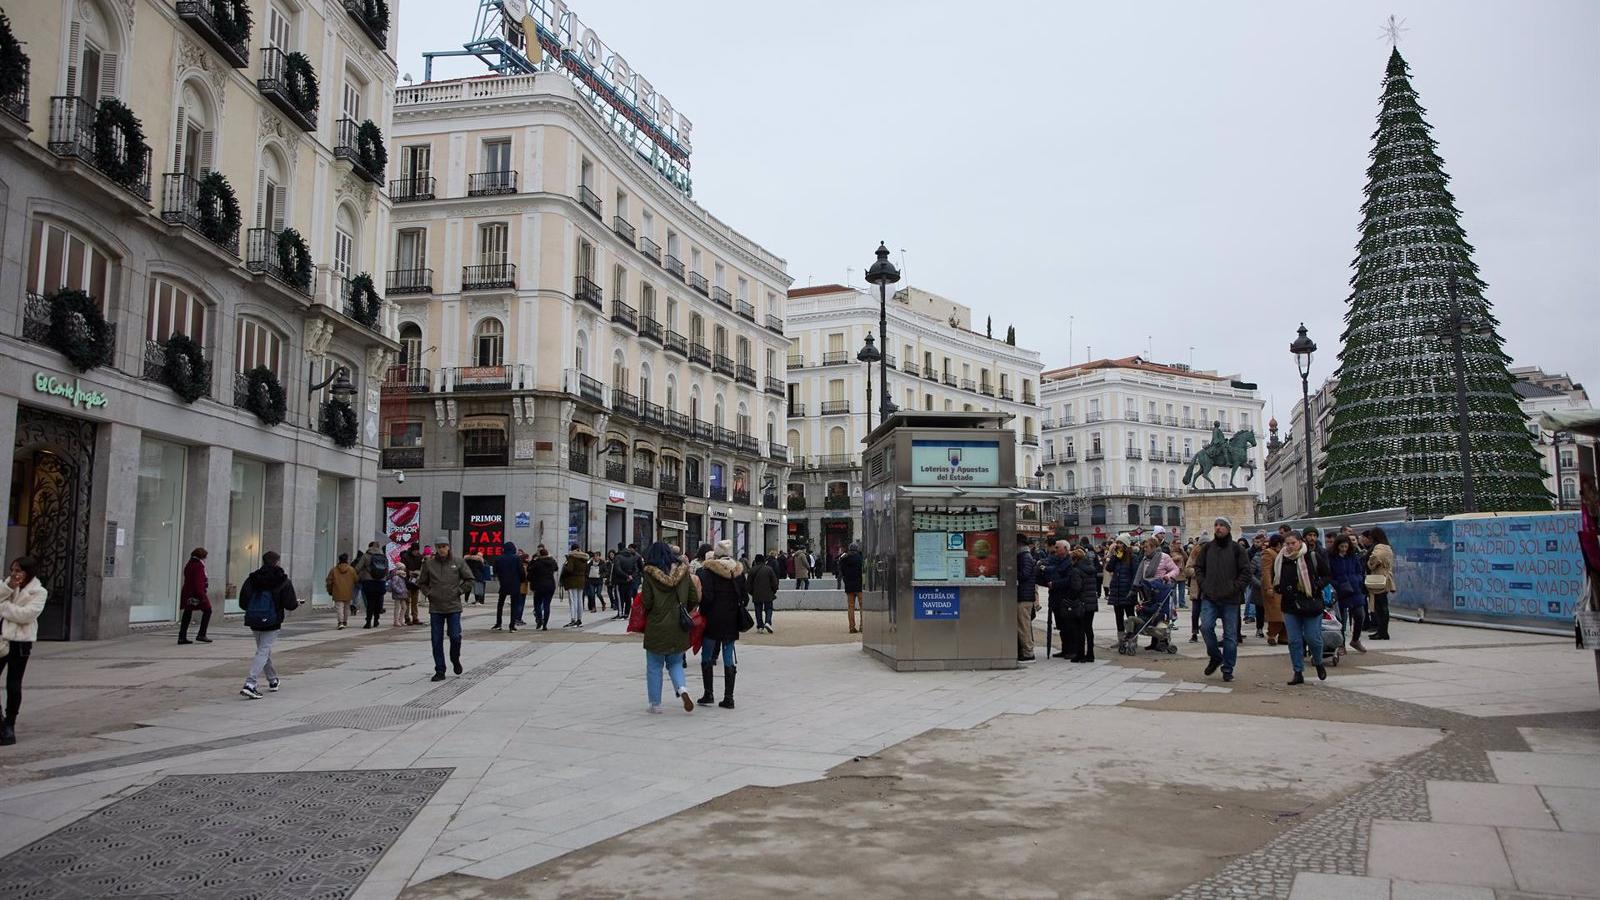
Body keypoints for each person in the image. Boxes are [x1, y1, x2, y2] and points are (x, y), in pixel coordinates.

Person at [639, 541, 697, 713]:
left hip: (657, 625)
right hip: (679, 624)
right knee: (675, 662)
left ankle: (655, 704)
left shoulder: (649, 574)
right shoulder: (683, 571)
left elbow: (647, 601)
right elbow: (694, 597)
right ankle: (682, 688)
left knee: (654, 665)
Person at [1193, 516, 1251, 683]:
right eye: (1216, 525)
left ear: (1228, 528)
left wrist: (1234, 587)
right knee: (1205, 627)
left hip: (1230, 598)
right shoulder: (1207, 548)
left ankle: (1228, 668)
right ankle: (1215, 656)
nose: (1218, 528)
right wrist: (1204, 584)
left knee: (1230, 636)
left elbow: (1246, 572)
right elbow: (1199, 567)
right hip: (1210, 596)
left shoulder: (1236, 549)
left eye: (1222, 525)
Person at [238, 551, 299, 699]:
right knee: (263, 651)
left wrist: (255, 610)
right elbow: (290, 604)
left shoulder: (252, 578)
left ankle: (272, 680)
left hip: (254, 620)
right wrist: (297, 603)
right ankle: (250, 683)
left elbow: (243, 602)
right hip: (273, 620)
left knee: (263, 650)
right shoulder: (282, 580)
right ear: (277, 562)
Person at [0, 557, 48, 745]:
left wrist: (3, 607)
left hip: (20, 642)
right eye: (12, 570)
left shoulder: (39, 592)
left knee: (13, 683)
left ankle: (10, 725)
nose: (14, 574)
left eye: (19, 570)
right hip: (2, 640)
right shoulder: (6, 587)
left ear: (28, 572)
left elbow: (27, 615)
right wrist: (8, 588)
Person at [695, 540, 747, 709]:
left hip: (711, 620)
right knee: (728, 656)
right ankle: (729, 697)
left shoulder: (706, 572)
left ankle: (708, 693)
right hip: (731, 620)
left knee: (707, 655)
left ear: (715, 555)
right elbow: (745, 598)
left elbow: (706, 598)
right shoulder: (737, 572)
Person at [417, 536, 473, 682]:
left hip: (453, 606)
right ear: (436, 548)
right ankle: (440, 669)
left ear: (448, 547)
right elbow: (421, 582)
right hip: (436, 607)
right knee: (436, 640)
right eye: (439, 546)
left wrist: (459, 591)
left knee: (455, 636)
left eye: (444, 546)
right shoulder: (429, 564)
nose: (441, 549)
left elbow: (469, 579)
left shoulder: (458, 562)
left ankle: (455, 658)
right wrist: (429, 593)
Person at [1275, 532, 1327, 684]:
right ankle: (1298, 671)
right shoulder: (1281, 560)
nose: (1290, 547)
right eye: (1287, 544)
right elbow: (1276, 577)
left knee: (1313, 637)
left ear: (1300, 542)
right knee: (1294, 641)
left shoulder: (1311, 557)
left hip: (1311, 603)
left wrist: (1317, 586)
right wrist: (1279, 588)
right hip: (1290, 605)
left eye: (1293, 543)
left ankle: (1318, 661)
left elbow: (1327, 575)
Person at [1134, 536, 1180, 649]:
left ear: (1154, 547)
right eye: (1144, 547)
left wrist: (1168, 576)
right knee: (1151, 614)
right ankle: (1154, 642)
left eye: (1147, 547)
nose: (1144, 549)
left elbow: (1176, 569)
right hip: (1148, 590)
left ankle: (1163, 640)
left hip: (1161, 590)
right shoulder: (1145, 559)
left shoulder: (1164, 557)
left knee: (1161, 614)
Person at [1329, 535, 1368, 653]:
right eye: (1342, 546)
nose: (1344, 549)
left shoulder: (1352, 557)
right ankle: (1341, 644)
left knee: (1360, 615)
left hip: (1354, 589)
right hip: (1340, 590)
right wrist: (1336, 584)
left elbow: (1359, 570)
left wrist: (1358, 579)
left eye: (1346, 546)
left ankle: (1355, 639)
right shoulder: (1331, 558)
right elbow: (1329, 573)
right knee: (1341, 619)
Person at [1064, 547, 1101, 662]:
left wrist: (1070, 596)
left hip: (1081, 603)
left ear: (1075, 559)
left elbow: (1077, 588)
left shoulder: (1076, 570)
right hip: (1091, 603)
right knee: (1088, 629)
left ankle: (1080, 654)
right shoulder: (1090, 568)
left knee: (1080, 629)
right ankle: (1090, 654)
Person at [1103, 537, 1138, 637]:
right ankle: (1121, 639)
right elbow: (1109, 568)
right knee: (1118, 616)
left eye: (1120, 543)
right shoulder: (1117, 557)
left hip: (1127, 591)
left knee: (1130, 616)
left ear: (1126, 545)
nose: (1118, 545)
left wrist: (1133, 590)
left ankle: (1132, 637)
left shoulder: (1132, 558)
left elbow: (1135, 575)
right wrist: (1114, 556)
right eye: (1117, 543)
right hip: (1116, 592)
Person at [1366, 527, 1396, 640]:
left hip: (1379, 578)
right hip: (1385, 577)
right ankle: (1382, 631)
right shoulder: (1388, 547)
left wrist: (1370, 563)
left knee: (1380, 606)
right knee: (1382, 605)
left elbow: (1375, 559)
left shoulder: (1379, 547)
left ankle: (1382, 631)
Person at [178, 548, 212, 644]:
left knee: (187, 613)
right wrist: (202, 596)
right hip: (196, 594)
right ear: (202, 556)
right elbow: (198, 582)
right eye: (205, 556)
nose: (206, 558)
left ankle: (182, 636)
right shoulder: (199, 566)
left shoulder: (189, 564)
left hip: (188, 593)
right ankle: (201, 634)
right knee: (208, 610)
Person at [355, 541, 389, 629]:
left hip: (369, 581)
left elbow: (358, 568)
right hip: (381, 582)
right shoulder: (383, 556)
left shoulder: (366, 555)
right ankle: (376, 620)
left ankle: (368, 621)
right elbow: (387, 570)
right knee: (378, 601)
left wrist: (359, 575)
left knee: (370, 602)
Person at [1015, 534, 1038, 662]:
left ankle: (1028, 652)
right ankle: (1025, 650)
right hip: (1023, 595)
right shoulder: (1023, 556)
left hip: (1024, 597)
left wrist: (1012, 571)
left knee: (1023, 626)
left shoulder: (1025, 557)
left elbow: (1024, 574)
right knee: (1022, 625)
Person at [1260, 534, 1286, 645]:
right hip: (1273, 588)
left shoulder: (1280, 553)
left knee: (1284, 614)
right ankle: (1272, 634)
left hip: (1282, 587)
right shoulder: (1268, 553)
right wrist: (1269, 587)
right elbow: (1266, 572)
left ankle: (1284, 636)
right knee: (1276, 614)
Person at [492, 541, 524, 631]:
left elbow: (495, 571)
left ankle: (499, 623)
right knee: (514, 604)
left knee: (500, 604)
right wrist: (521, 580)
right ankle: (512, 625)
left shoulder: (499, 558)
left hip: (504, 583)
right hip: (515, 583)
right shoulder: (516, 558)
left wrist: (500, 577)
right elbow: (521, 571)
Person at [528, 545, 559, 631]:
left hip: (539, 586)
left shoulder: (537, 563)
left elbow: (529, 571)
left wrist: (533, 561)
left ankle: (539, 620)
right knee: (546, 605)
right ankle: (545, 624)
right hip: (550, 586)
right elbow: (556, 568)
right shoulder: (552, 562)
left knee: (537, 604)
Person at [325, 553, 358, 630]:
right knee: (346, 608)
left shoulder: (334, 570)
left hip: (337, 591)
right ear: (347, 560)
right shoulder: (351, 570)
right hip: (348, 591)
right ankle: (345, 621)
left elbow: (329, 581)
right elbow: (356, 579)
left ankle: (340, 622)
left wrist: (330, 590)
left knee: (339, 607)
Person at [748, 552, 779, 634]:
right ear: (764, 560)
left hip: (756, 593)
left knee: (758, 610)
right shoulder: (769, 569)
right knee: (768, 608)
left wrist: (752, 592)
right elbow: (774, 582)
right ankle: (768, 622)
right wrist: (774, 590)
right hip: (768, 593)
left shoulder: (752, 570)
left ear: (755, 561)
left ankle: (760, 626)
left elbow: (748, 584)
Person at [560, 544, 589, 628]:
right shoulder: (584, 558)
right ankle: (579, 619)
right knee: (580, 600)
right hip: (581, 580)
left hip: (572, 580)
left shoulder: (572, 557)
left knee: (573, 600)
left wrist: (564, 566)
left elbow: (569, 569)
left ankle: (573, 619)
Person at [839, 542, 865, 634]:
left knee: (850, 607)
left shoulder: (844, 559)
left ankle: (851, 627)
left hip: (849, 585)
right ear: (857, 549)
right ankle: (862, 626)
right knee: (862, 606)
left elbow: (842, 572)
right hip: (859, 585)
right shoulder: (860, 558)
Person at [612, 543, 641, 617]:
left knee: (620, 597)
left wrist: (626, 576)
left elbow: (617, 569)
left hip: (620, 580)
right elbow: (636, 569)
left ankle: (620, 613)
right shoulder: (632, 557)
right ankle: (626, 613)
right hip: (630, 580)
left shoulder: (618, 557)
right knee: (628, 597)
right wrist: (631, 576)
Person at [400, 544, 424, 626]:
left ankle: (415, 618)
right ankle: (407, 618)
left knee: (415, 601)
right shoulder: (405, 556)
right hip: (407, 581)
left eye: (417, 550)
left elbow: (422, 567)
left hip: (416, 582)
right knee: (407, 601)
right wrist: (408, 572)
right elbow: (402, 567)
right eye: (415, 550)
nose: (416, 552)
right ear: (412, 550)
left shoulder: (420, 557)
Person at [387, 562, 409, 627]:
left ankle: (401, 620)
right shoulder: (396, 576)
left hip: (402, 594)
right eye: (402, 569)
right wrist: (400, 590)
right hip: (398, 594)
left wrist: (404, 591)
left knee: (404, 607)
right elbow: (393, 585)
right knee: (397, 608)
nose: (403, 570)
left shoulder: (402, 577)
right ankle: (396, 621)